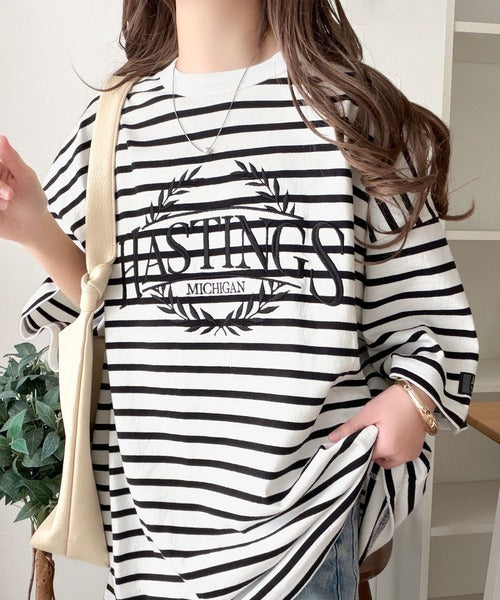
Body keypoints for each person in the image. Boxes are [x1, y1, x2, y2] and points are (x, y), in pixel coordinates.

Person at [0, 1, 479, 598]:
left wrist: (416, 400)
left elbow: (428, 315)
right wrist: (35, 230)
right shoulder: (110, 125)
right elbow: (104, 306)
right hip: (150, 536)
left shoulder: (350, 114)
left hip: (307, 535)